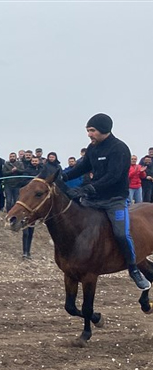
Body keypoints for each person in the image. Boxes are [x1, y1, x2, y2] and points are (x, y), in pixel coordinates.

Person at [63, 114, 149, 289]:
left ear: (104, 129)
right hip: (93, 200)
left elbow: (113, 177)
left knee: (121, 233)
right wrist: (61, 175)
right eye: (88, 130)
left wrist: (87, 189)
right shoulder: (92, 148)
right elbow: (81, 168)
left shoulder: (119, 149)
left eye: (92, 130)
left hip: (114, 201)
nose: (89, 134)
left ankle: (133, 269)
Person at [21, 156, 44, 259]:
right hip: (27, 206)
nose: (34, 162)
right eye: (33, 161)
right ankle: (24, 251)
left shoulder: (41, 170)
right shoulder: (27, 170)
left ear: (38, 161)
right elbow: (24, 181)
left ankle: (28, 251)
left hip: (34, 206)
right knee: (25, 232)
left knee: (31, 232)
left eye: (36, 161)